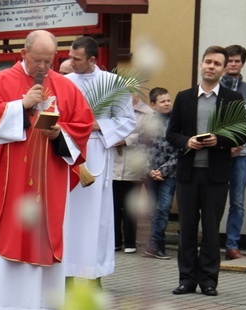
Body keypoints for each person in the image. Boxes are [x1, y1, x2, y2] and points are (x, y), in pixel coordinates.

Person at [0, 30, 94, 310]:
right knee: (6, 233)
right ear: (23, 53)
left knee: (41, 236)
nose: (43, 67)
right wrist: (20, 106)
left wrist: (58, 133)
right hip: (7, 179)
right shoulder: (0, 81)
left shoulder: (65, 87)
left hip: (48, 179)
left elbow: (82, 126)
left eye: (49, 61)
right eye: (38, 60)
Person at [167, 46, 245, 296]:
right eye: (207, 62)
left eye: (216, 64)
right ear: (201, 65)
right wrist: (186, 142)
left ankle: (209, 280)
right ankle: (187, 279)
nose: (211, 67)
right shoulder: (184, 97)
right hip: (188, 173)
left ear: (223, 70)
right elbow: (171, 133)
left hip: (216, 175)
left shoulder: (233, 99)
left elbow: (241, 133)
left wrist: (219, 139)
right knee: (187, 227)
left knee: (211, 229)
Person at [65, 36, 136, 283]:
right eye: (70, 57)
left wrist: (95, 125)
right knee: (68, 216)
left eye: (77, 58)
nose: (70, 62)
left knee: (95, 217)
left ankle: (93, 276)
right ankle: (66, 274)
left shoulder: (112, 83)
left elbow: (127, 121)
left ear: (93, 59)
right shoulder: (64, 82)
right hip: (68, 152)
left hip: (96, 151)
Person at [220, 45, 246, 260]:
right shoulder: (214, 88)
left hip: (242, 154)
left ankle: (232, 246)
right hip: (218, 153)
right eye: (230, 61)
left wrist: (239, 143)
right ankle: (208, 243)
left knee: (237, 201)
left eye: (237, 61)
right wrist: (224, 144)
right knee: (214, 199)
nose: (233, 64)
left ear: (242, 63)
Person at [112, 94, 152, 253]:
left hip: (133, 164)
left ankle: (130, 242)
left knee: (130, 206)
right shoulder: (114, 109)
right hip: (114, 164)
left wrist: (126, 140)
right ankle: (115, 241)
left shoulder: (147, 113)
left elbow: (147, 136)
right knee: (113, 206)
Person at [142, 87, 177, 260]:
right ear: (153, 105)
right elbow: (141, 147)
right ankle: (156, 245)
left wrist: (162, 170)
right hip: (150, 174)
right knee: (153, 210)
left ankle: (155, 244)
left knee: (163, 208)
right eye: (162, 101)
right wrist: (150, 171)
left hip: (169, 174)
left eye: (168, 100)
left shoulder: (177, 121)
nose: (167, 104)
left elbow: (180, 150)